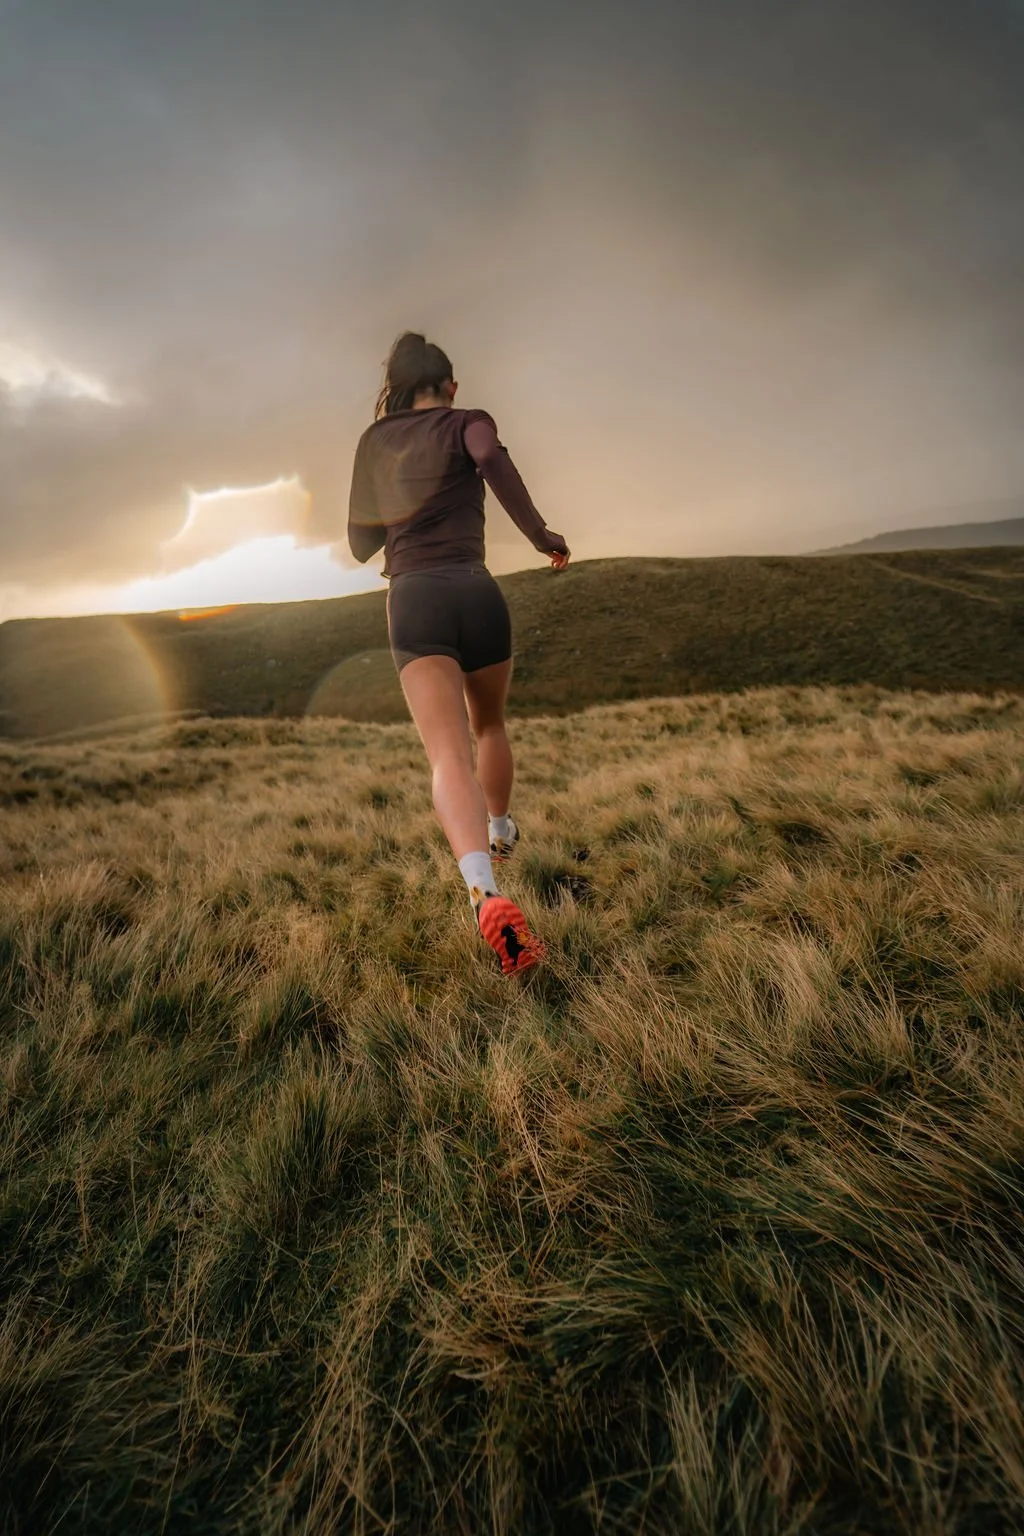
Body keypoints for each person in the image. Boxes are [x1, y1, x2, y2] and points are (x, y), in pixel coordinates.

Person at [347, 331, 570, 975]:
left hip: (414, 599)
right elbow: (492, 461)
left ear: (397, 389)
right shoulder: (469, 421)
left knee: (447, 754)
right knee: (490, 724)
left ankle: (485, 892)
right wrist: (540, 535)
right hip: (478, 593)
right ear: (449, 385)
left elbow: (361, 543)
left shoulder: (373, 441)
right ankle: (501, 830)